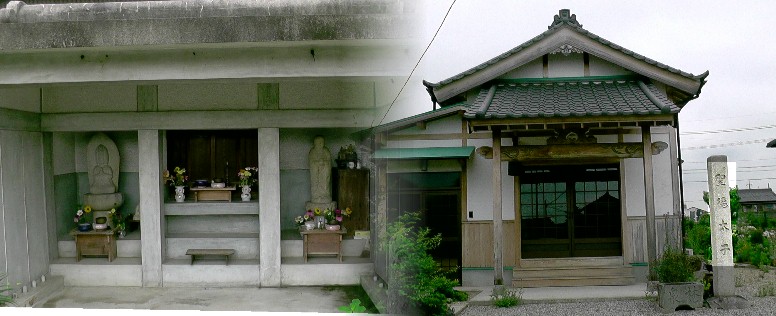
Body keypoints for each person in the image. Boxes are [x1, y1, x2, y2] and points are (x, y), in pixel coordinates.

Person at [308, 136, 332, 203]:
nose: (321, 144)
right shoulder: (312, 151)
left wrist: (324, 163)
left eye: (322, 142)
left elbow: (329, 161)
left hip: (324, 171)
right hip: (316, 172)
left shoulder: (326, 151)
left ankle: (325, 195)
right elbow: (311, 162)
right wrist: (317, 163)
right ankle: (316, 196)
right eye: (319, 142)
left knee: (325, 182)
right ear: (315, 143)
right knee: (315, 181)